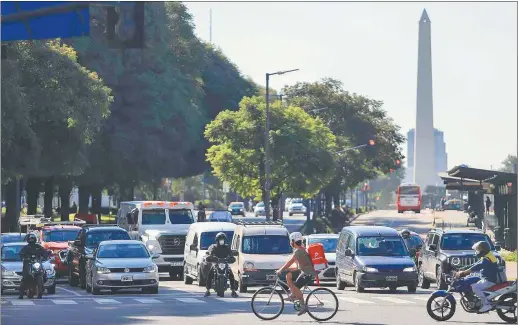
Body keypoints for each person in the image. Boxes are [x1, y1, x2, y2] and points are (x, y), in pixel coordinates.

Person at [276, 232, 317, 316]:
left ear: (293, 241)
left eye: (291, 241)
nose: (290, 243)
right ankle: (294, 295)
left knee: (295, 287)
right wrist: (286, 270)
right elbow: (298, 266)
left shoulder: (298, 251)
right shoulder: (301, 249)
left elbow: (290, 262)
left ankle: (303, 306)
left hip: (307, 273)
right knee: (289, 275)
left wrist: (280, 269)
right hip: (304, 271)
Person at [454, 241, 499, 313]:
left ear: (483, 250)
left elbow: (477, 267)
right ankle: (480, 301)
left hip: (490, 280)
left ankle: (486, 305)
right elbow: (475, 264)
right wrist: (462, 268)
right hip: (487, 279)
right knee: (474, 283)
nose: (477, 251)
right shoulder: (487, 256)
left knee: (474, 287)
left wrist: (465, 272)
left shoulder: (487, 259)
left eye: (479, 249)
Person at [204, 232, 238, 298]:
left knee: (231, 275)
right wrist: (211, 257)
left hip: (225, 264)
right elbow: (210, 253)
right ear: (217, 240)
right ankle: (207, 290)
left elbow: (231, 255)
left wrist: (231, 258)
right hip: (216, 264)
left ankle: (233, 291)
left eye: (223, 239)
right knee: (210, 274)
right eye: (220, 239)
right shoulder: (213, 247)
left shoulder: (227, 247)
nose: (222, 241)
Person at [18, 233, 49, 299]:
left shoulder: (38, 246)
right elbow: (21, 254)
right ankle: (21, 294)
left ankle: (42, 285)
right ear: (28, 240)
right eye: (30, 239)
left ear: (35, 239)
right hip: (28, 264)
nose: (31, 240)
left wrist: (45, 256)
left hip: (36, 264)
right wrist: (24, 257)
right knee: (24, 277)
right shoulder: (26, 248)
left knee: (43, 272)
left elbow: (45, 252)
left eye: (32, 239)